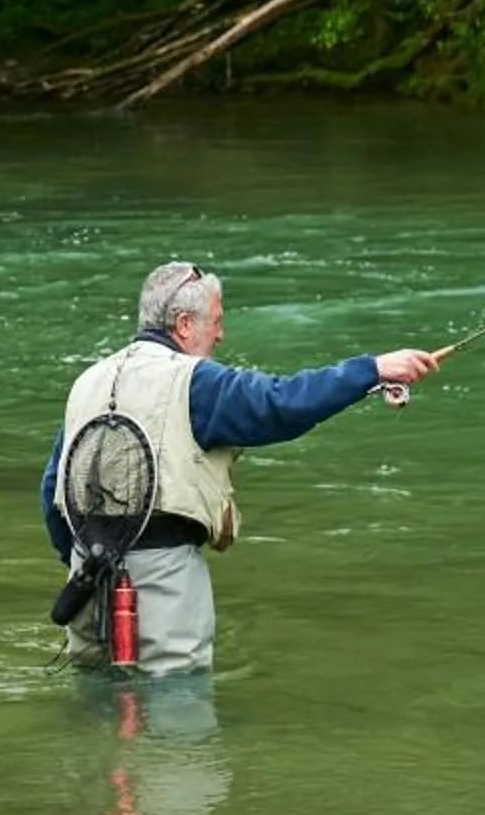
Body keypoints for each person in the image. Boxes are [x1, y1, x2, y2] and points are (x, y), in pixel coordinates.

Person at [40, 260, 448, 675]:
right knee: (177, 720)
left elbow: (52, 492)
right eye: (215, 321)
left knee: (95, 710)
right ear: (183, 324)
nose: (220, 333)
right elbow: (282, 403)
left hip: (84, 583)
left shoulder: (87, 382)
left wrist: (84, 564)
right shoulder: (196, 381)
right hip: (164, 585)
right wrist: (372, 370)